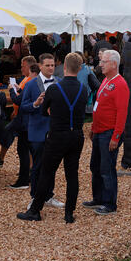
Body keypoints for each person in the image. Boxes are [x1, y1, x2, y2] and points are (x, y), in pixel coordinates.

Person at [17, 52, 89, 224]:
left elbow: (44, 111)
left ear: (64, 67)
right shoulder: (83, 89)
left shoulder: (54, 89)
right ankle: (69, 213)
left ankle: (35, 210)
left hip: (57, 135)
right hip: (76, 135)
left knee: (47, 172)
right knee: (72, 175)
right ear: (79, 68)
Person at [85, 49, 129, 216]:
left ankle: (110, 204)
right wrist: (93, 128)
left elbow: (122, 113)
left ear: (114, 64)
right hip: (99, 131)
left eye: (104, 62)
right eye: (101, 61)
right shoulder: (106, 80)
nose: (100, 64)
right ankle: (98, 198)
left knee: (107, 168)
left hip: (109, 133)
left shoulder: (120, 84)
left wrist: (116, 137)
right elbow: (100, 106)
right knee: (95, 166)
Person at [19, 54, 59, 205]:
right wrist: (35, 104)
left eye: (52, 65)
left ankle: (49, 195)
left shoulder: (59, 82)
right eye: (47, 65)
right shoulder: (30, 84)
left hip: (55, 130)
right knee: (37, 165)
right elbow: (23, 107)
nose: (51, 68)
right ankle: (35, 198)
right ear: (40, 66)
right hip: (37, 130)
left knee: (52, 165)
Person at [0, 55, 35, 174]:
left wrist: (11, 91)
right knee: (9, 134)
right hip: (20, 115)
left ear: (29, 66)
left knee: (23, 144)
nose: (21, 68)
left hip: (24, 117)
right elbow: (22, 95)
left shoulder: (30, 81)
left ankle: (28, 169)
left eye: (23, 66)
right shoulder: (25, 79)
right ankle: (1, 158)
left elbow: (20, 99)